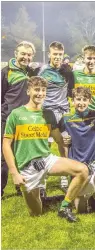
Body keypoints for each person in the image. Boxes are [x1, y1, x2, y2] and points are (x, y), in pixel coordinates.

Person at [2, 76, 88, 222]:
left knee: (82, 170)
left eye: (43, 90)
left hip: (47, 159)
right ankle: (48, 199)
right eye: (36, 90)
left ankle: (64, 206)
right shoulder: (16, 114)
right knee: (36, 213)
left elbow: (58, 139)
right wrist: (14, 173)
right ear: (28, 91)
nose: (40, 93)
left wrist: (66, 140)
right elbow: (5, 144)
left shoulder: (48, 114)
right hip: (27, 167)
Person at [1, 41, 38, 197]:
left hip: (26, 121)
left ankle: (21, 186)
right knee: (3, 156)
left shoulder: (31, 72)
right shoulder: (5, 72)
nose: (26, 57)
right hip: (7, 119)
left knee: (23, 155)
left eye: (29, 55)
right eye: (23, 53)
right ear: (16, 54)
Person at [38, 41, 74, 192]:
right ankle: (41, 179)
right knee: (44, 145)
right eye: (55, 54)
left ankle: (64, 176)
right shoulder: (43, 71)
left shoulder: (66, 71)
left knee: (64, 144)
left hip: (64, 112)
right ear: (49, 54)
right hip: (48, 113)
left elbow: (71, 89)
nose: (57, 57)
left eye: (60, 54)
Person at [73, 45, 95, 111]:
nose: (92, 61)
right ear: (84, 58)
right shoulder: (75, 75)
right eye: (89, 58)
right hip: (81, 114)